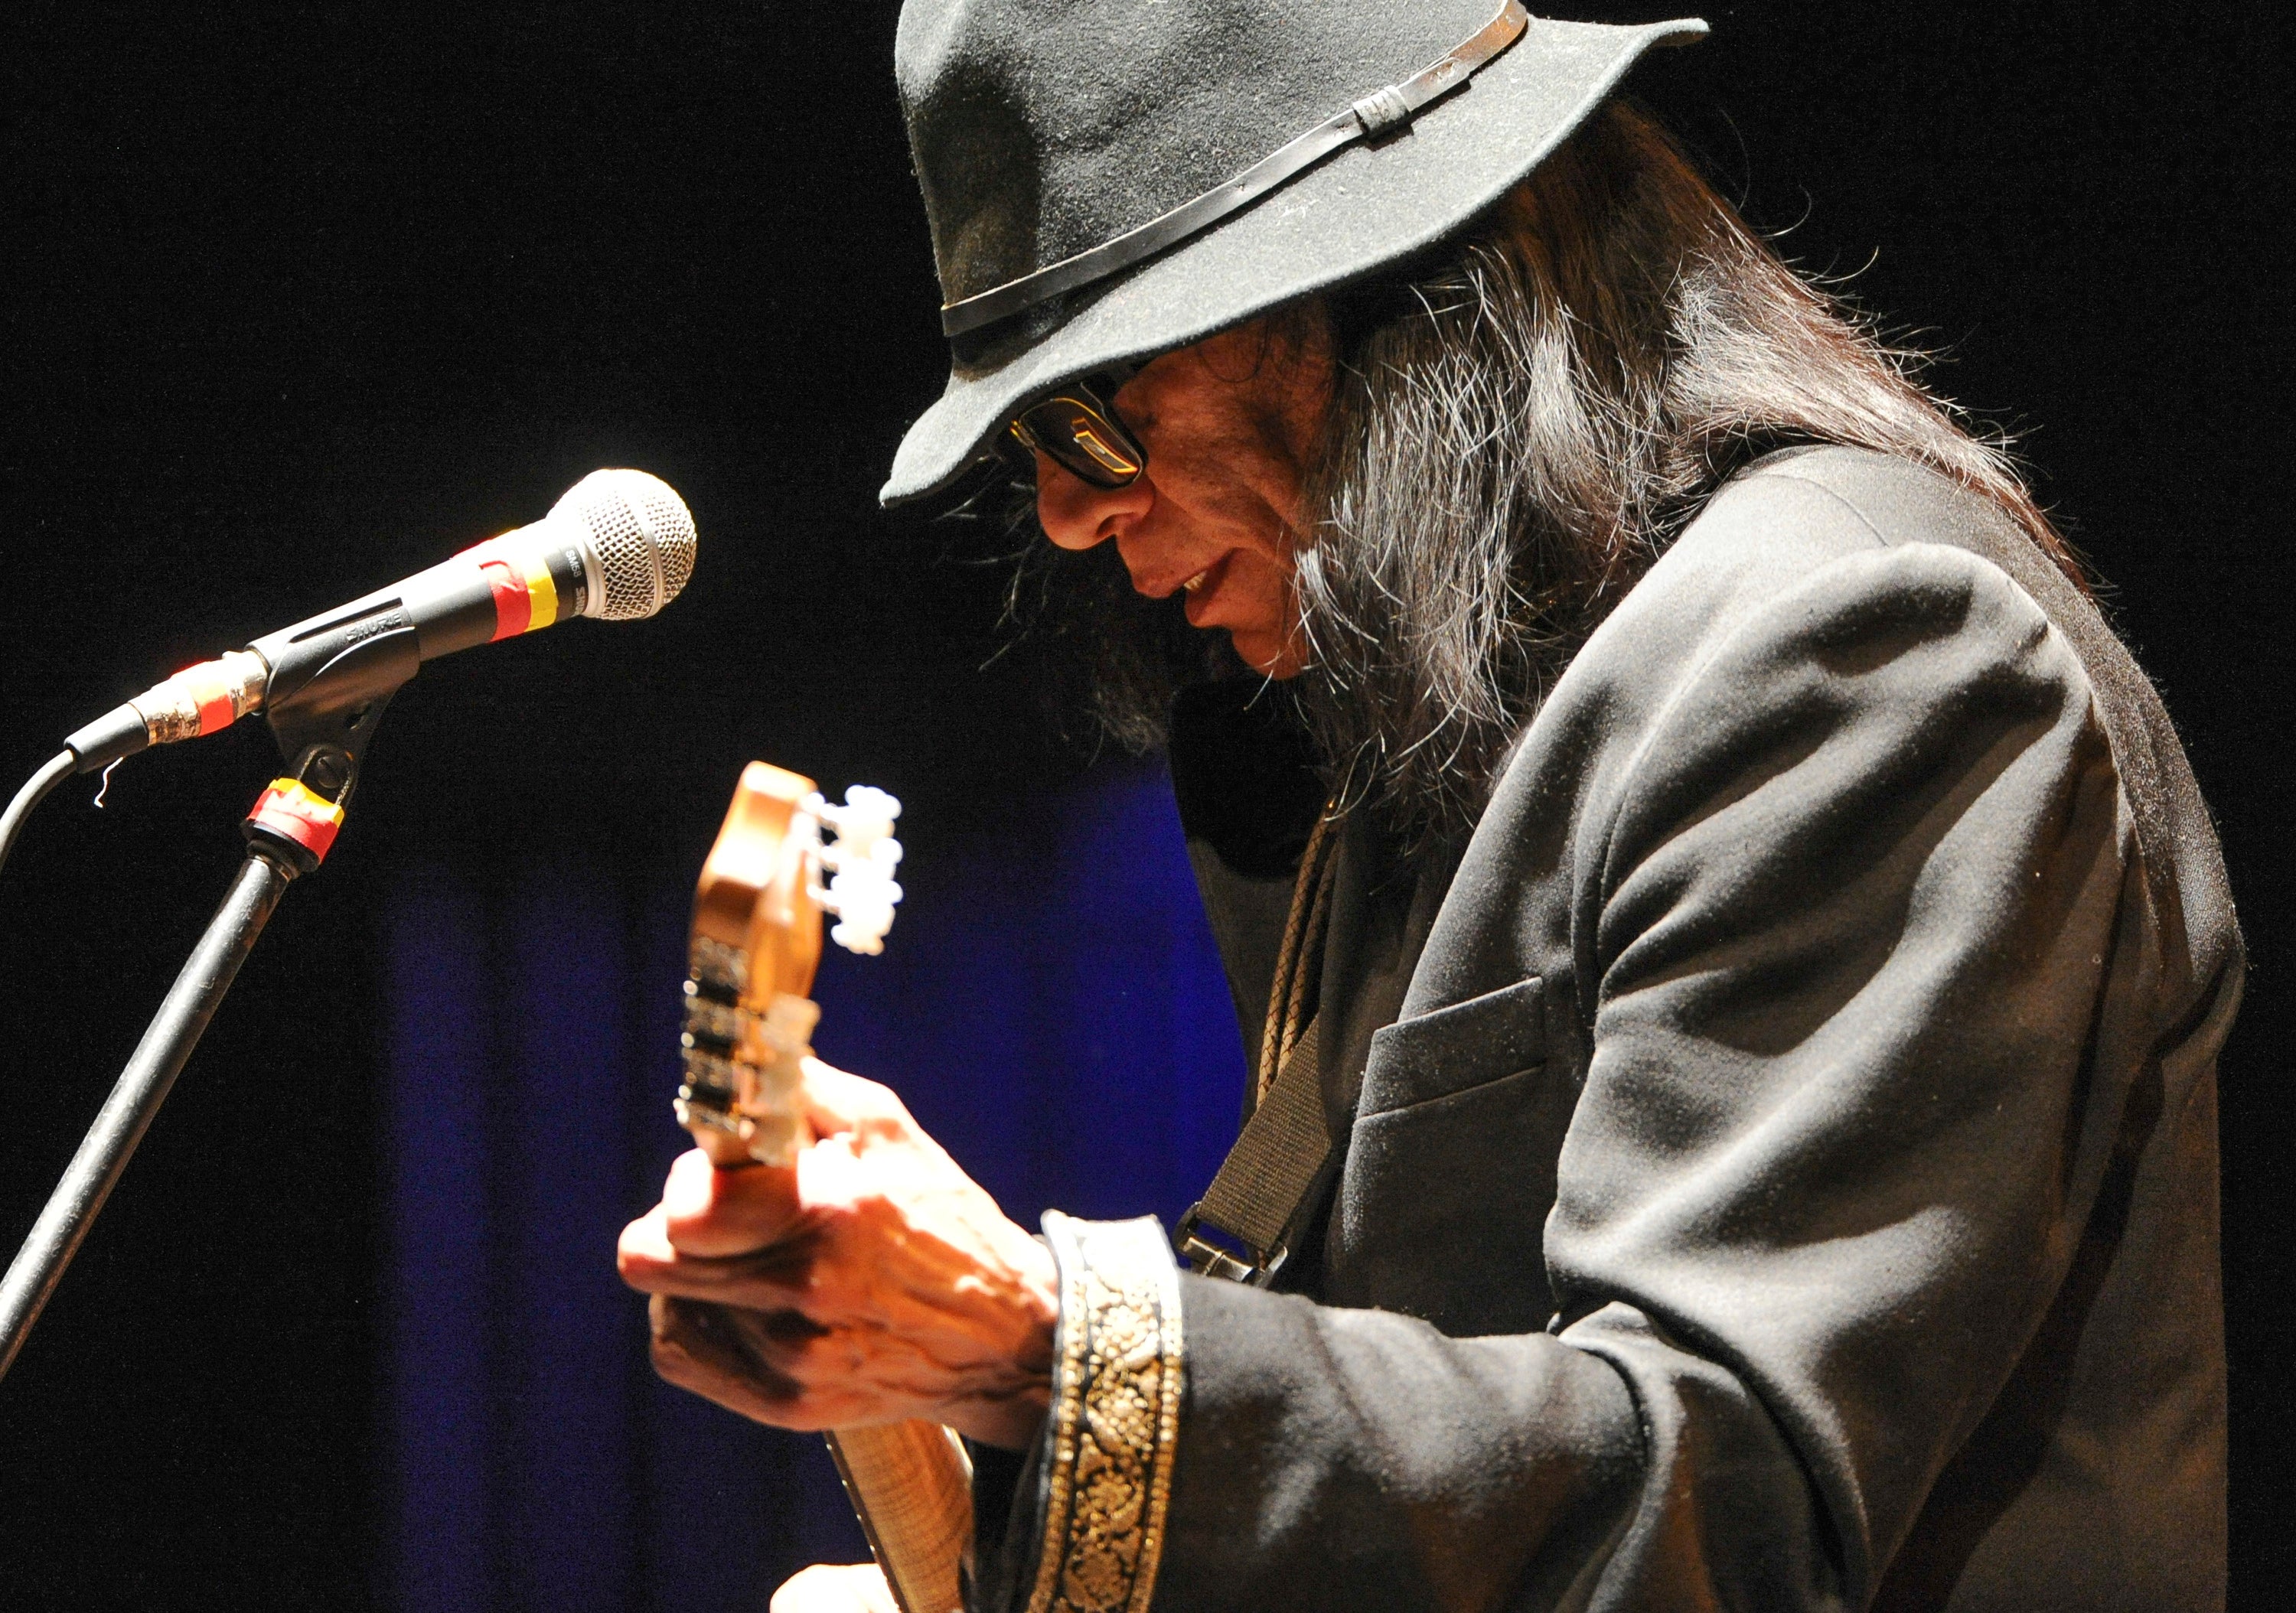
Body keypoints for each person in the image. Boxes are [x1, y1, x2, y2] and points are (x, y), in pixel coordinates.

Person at [618, 4, 2242, 1609]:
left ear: (1395, 292)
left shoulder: (1863, 655)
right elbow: (1445, 1498)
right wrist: (992, 1452)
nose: (1059, 509)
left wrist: (1050, 1340)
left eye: (1092, 404)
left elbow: (1726, 1511)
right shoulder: (1418, 726)